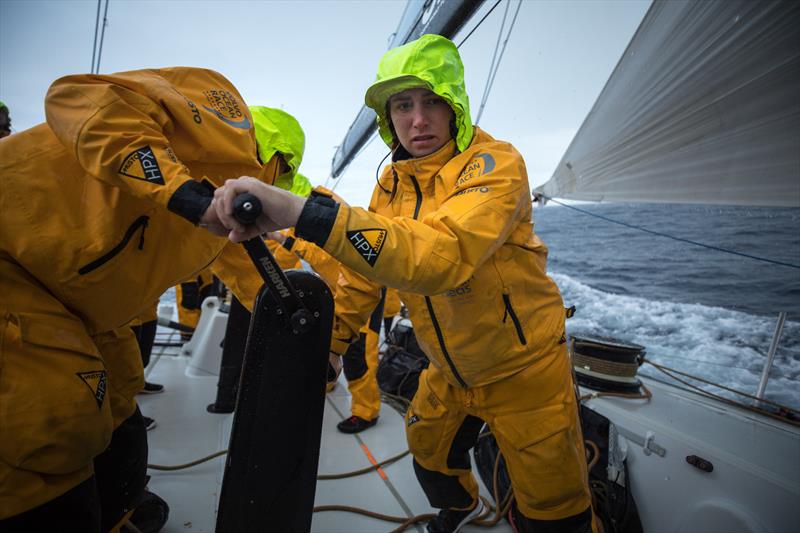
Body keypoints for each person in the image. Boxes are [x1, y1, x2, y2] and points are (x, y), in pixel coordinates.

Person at [214, 35, 595, 533]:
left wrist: (302, 213)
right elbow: (362, 277)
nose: (418, 119)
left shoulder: (496, 165)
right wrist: (330, 347)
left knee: (555, 509)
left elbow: (441, 255)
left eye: (432, 101)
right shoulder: (389, 185)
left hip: (524, 372)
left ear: (454, 102)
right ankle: (460, 509)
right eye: (403, 104)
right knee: (429, 458)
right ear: (387, 117)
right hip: (448, 370)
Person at [0, 67, 301, 532]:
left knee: (121, 393)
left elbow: (257, 276)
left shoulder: (230, 222)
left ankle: (118, 514)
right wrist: (184, 195)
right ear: (277, 164)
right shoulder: (222, 117)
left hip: (78, 304)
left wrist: (318, 344)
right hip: (13, 261)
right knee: (55, 418)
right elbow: (74, 95)